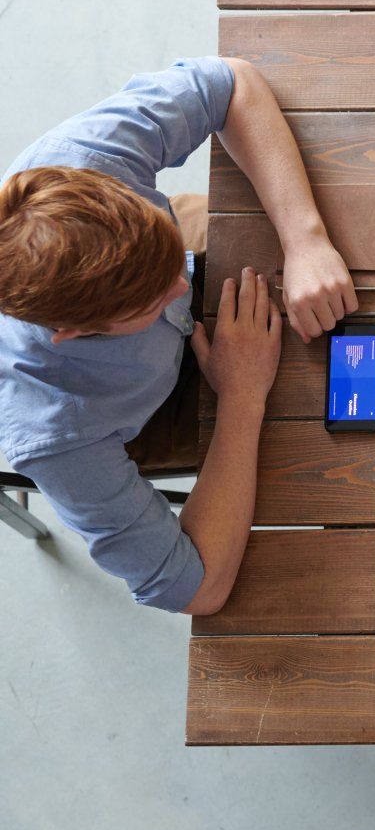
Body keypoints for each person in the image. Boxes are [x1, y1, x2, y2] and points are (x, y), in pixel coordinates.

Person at [0, 58, 356, 613]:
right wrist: (240, 399)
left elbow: (232, 81)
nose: (181, 286)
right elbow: (192, 587)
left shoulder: (77, 164)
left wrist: (305, 240)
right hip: (139, 413)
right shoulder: (58, 434)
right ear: (70, 333)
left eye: (170, 258)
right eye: (155, 298)